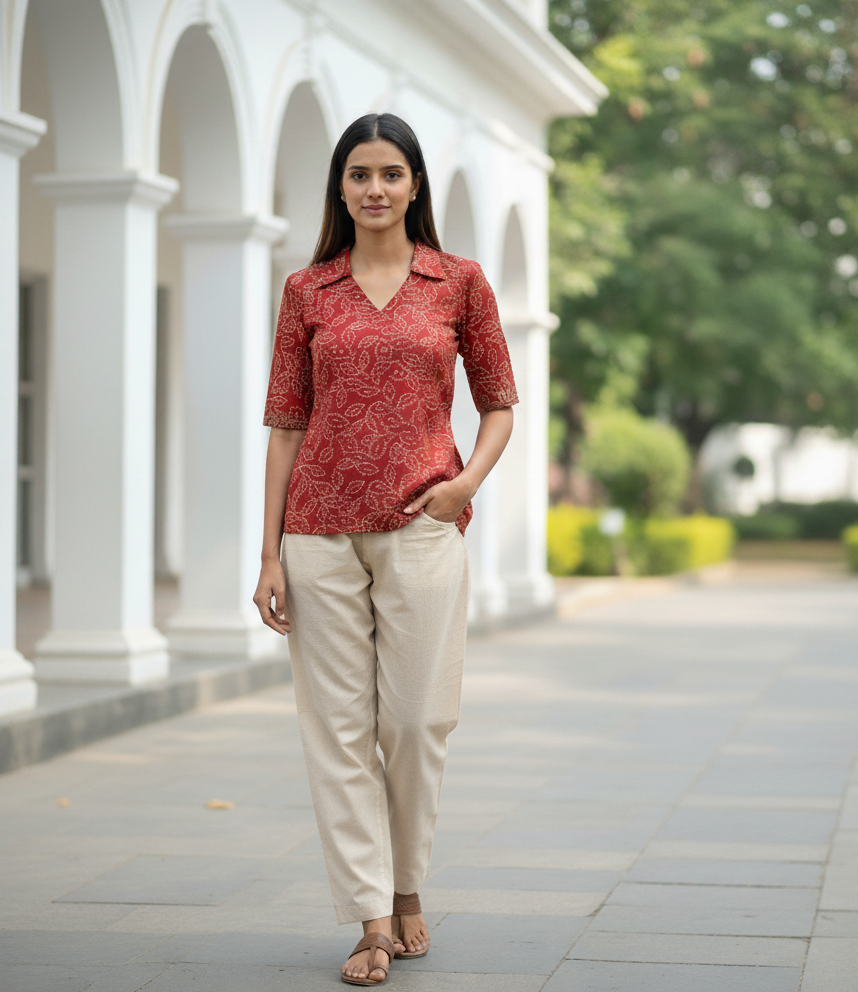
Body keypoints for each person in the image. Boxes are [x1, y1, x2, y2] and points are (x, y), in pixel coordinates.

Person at [253, 112, 517, 986]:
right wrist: (268, 555)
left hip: (422, 525)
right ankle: (372, 919)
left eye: (391, 174)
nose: (375, 188)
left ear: (414, 186)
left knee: (414, 720)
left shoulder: (458, 282)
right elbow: (286, 425)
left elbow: (500, 402)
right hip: (318, 531)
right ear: (339, 187)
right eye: (359, 174)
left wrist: (465, 485)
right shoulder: (307, 291)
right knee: (336, 731)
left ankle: (410, 885)